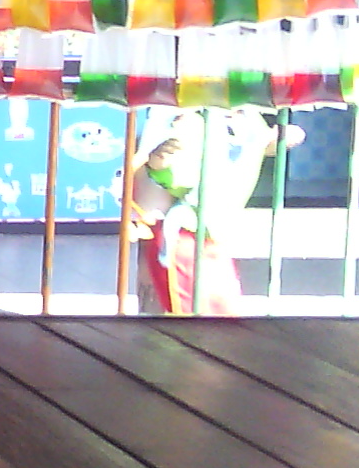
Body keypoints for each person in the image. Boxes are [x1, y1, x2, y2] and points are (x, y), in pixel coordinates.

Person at [126, 108, 299, 315]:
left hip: (214, 232)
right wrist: (159, 166)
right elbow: (171, 176)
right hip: (184, 233)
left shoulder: (245, 113)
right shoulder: (186, 118)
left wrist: (274, 138)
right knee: (196, 314)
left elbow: (256, 142)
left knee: (221, 312)